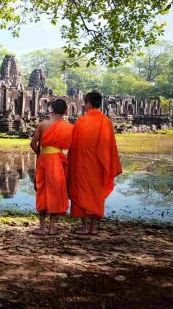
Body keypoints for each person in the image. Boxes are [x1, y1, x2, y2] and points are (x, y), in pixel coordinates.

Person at [67, 91, 122, 235]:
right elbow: (109, 147)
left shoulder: (81, 121)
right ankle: (93, 227)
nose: (84, 106)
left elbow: (75, 146)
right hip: (99, 166)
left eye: (85, 103)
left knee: (81, 191)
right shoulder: (106, 121)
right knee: (96, 193)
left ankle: (84, 227)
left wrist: (72, 163)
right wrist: (107, 164)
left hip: (82, 165)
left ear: (89, 104)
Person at [30, 99, 74, 235]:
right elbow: (69, 145)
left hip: (44, 159)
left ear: (52, 110)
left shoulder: (43, 124)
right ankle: (52, 227)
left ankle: (42, 227)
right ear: (66, 111)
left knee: (42, 190)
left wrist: (40, 153)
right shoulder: (69, 127)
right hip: (57, 160)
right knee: (55, 191)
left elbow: (32, 144)